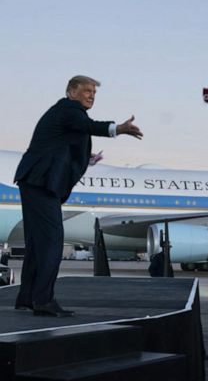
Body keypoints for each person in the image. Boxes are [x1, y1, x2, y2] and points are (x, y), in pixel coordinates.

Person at [14, 75, 143, 317]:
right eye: (87, 90)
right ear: (72, 92)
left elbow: (62, 145)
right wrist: (119, 128)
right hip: (40, 183)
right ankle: (43, 300)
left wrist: (88, 158)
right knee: (52, 242)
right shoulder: (69, 109)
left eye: (94, 92)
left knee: (37, 243)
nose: (91, 95)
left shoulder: (65, 114)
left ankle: (28, 297)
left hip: (34, 181)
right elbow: (89, 126)